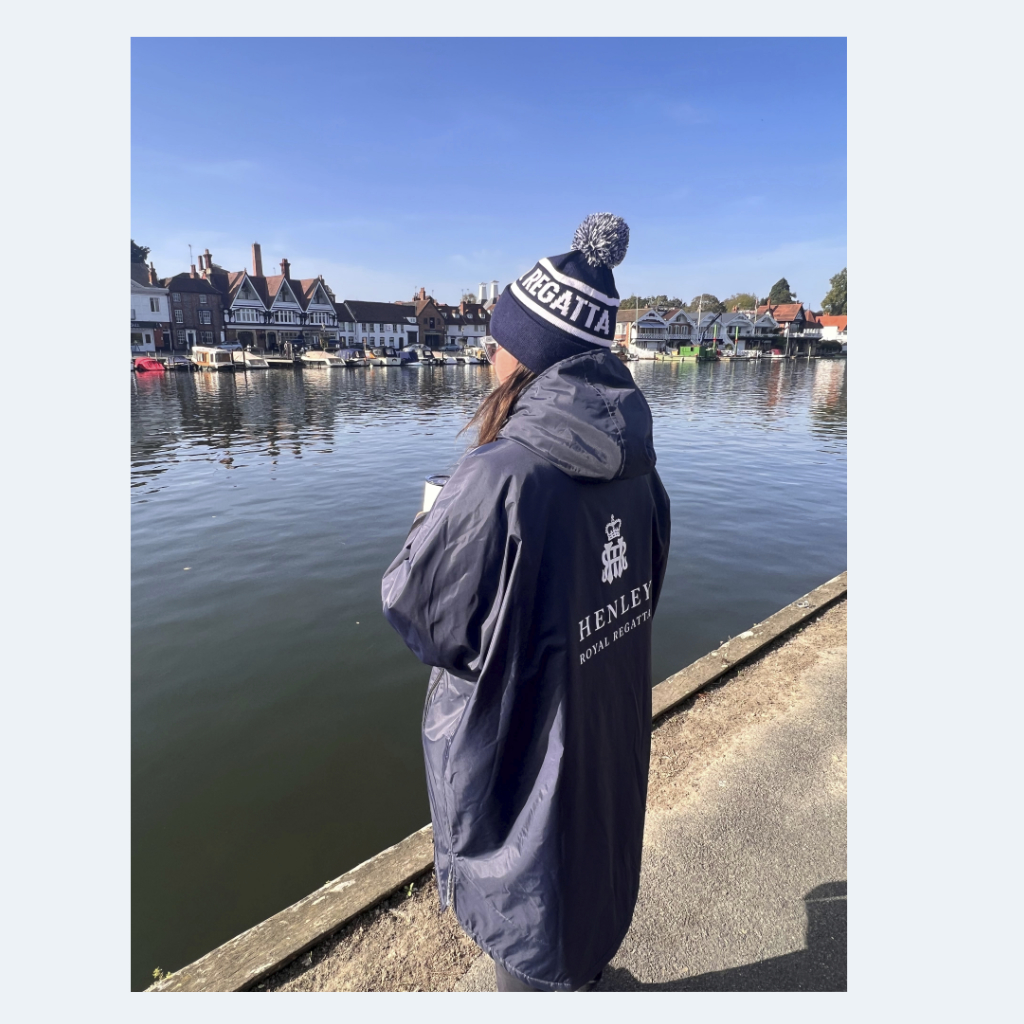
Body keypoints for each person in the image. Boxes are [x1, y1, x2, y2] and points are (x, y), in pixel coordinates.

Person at [381, 214, 672, 992]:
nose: (488, 352)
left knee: (531, 944)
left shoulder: (499, 475)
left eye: (499, 339)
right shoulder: (642, 469)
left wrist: (432, 524)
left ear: (531, 354)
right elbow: (642, 590)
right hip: (603, 750)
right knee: (584, 908)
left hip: (520, 781)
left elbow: (420, 613)